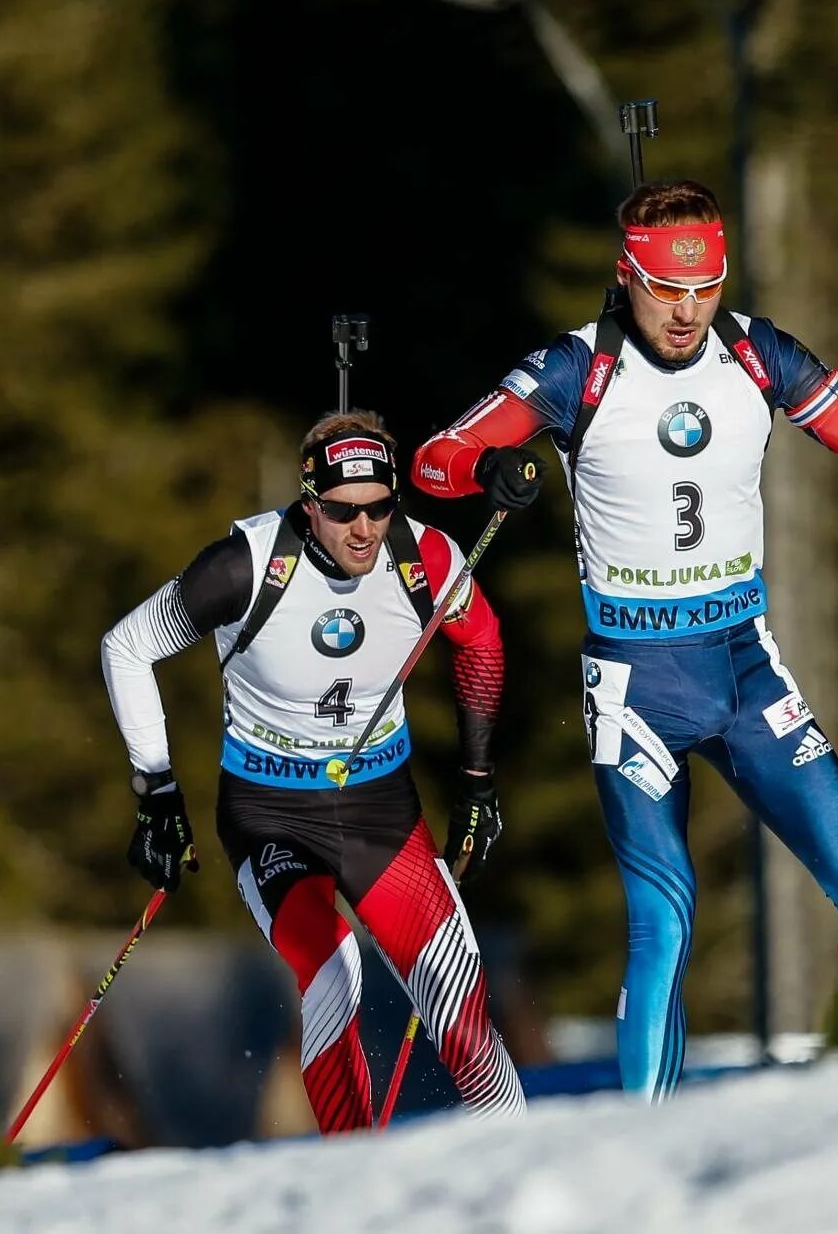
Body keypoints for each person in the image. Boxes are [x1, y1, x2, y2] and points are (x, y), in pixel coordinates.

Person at [412, 179, 838, 1100]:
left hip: (744, 666)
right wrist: (493, 465)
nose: (688, 312)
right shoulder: (578, 369)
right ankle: (644, 1137)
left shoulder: (754, 351)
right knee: (666, 916)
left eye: (704, 288)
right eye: (666, 290)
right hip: (636, 681)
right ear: (627, 277)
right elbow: (434, 460)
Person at [100, 411, 525, 1131]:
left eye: (378, 508)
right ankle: (349, 1180)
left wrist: (478, 782)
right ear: (308, 502)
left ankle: (538, 1179)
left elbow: (479, 639)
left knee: (459, 1016)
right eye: (340, 512)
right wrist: (156, 790)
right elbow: (128, 646)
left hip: (380, 815)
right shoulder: (248, 565)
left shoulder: (426, 559)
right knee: (333, 970)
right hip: (271, 814)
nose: (362, 530)